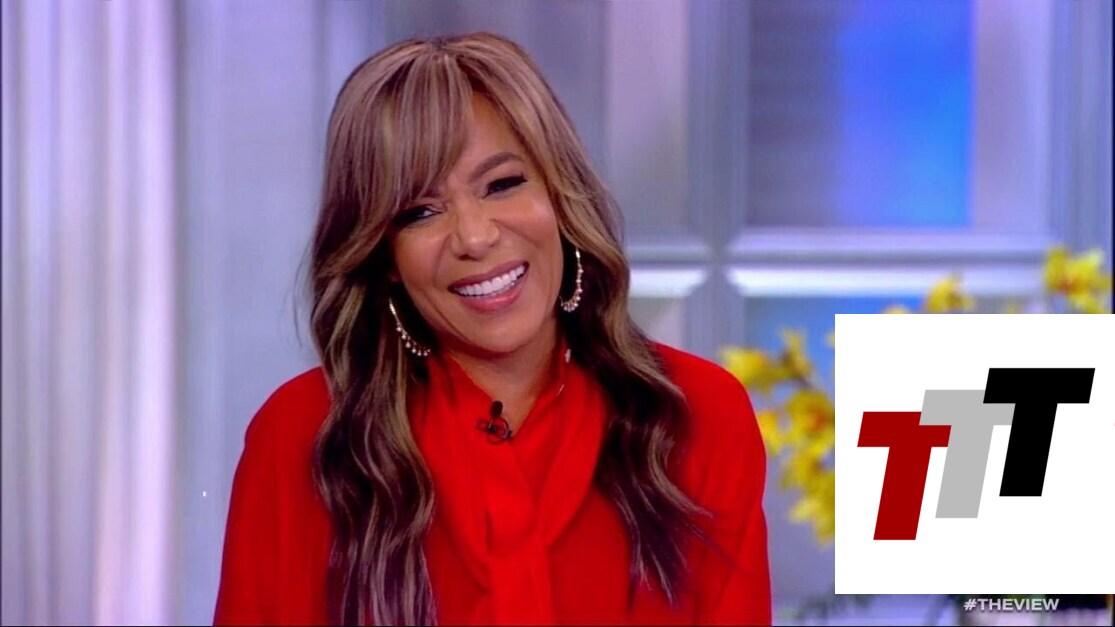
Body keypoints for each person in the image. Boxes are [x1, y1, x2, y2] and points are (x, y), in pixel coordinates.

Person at [213, 32, 770, 626]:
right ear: (383, 254)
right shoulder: (302, 436)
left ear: (560, 195)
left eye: (502, 184)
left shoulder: (697, 415)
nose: (475, 237)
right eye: (420, 212)